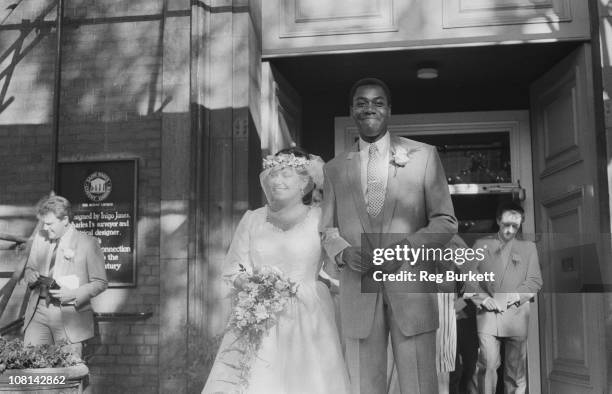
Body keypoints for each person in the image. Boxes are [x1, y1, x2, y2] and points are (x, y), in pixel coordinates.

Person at [320, 78, 458, 394]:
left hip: (411, 288)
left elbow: (446, 221)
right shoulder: (334, 168)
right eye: (361, 102)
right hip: (359, 291)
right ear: (352, 110)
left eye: (378, 101)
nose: (370, 107)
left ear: (389, 109)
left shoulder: (423, 155)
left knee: (419, 386)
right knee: (365, 387)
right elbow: (326, 230)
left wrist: (406, 248)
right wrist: (342, 252)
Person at [202, 148, 350, 394]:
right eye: (273, 174)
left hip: (309, 316)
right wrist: (256, 289)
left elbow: (337, 263)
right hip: (259, 316)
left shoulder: (320, 218)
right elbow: (233, 269)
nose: (277, 181)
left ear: (304, 182)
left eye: (286, 175)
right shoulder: (252, 219)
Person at [470, 202, 542, 394]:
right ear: (498, 221)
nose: (510, 230)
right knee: (488, 366)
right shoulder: (480, 245)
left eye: (515, 226)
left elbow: (535, 281)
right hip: (487, 316)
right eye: (506, 225)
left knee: (516, 372)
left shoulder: (528, 248)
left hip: (516, 316)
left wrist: (517, 295)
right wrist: (483, 299)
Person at [23, 195, 108, 356]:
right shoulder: (40, 238)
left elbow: (100, 282)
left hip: (69, 314)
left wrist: (73, 294)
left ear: (65, 220)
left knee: (70, 371)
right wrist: (30, 274)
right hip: (37, 311)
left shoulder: (88, 243)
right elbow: (29, 268)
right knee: (30, 366)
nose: (46, 228)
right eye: (44, 224)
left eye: (50, 224)